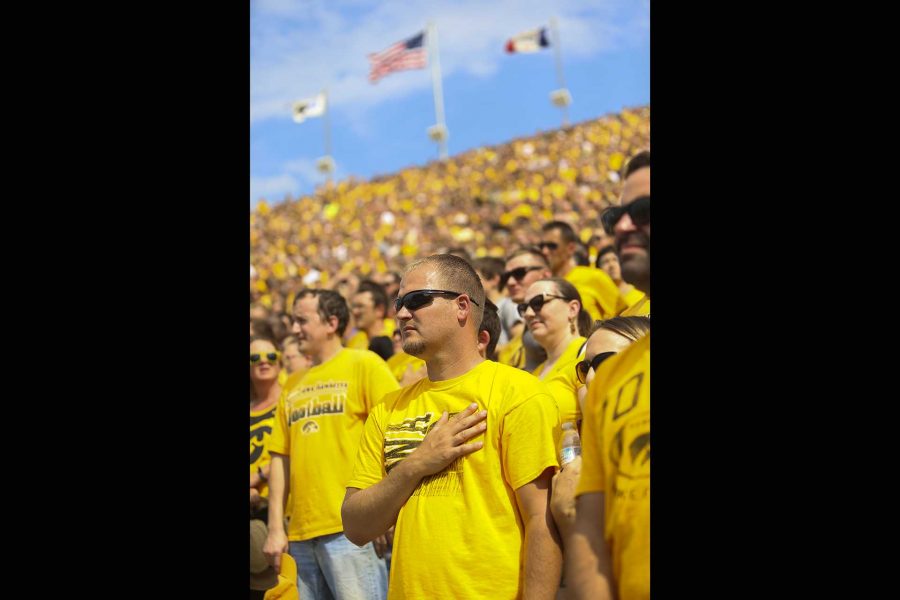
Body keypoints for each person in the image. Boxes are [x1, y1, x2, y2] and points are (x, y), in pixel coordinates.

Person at [342, 254, 562, 599]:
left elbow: (542, 521)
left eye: (416, 300)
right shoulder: (389, 407)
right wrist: (417, 463)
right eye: (399, 302)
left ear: (462, 306)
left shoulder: (519, 393)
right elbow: (356, 526)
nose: (400, 313)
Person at [551, 150, 651, 600]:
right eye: (618, 215)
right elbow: (591, 530)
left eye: (642, 212)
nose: (623, 227)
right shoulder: (610, 377)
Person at [263, 289, 399, 600]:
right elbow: (279, 459)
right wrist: (275, 529)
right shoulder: (293, 384)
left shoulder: (364, 363)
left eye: (302, 321)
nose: (294, 329)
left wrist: (384, 510)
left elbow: (395, 433)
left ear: (331, 322)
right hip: (299, 535)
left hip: (352, 531)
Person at [520, 278, 592, 424]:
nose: (528, 313)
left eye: (538, 302)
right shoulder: (534, 375)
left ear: (572, 309)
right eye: (523, 307)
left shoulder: (588, 355)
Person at [539, 221, 626, 322]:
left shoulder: (593, 276)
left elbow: (624, 313)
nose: (544, 251)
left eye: (551, 246)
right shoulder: (543, 286)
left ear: (570, 248)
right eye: (542, 246)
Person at [250, 336, 282, 598]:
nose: (263, 362)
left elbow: (289, 452)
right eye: (255, 358)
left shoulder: (288, 401)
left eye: (270, 357)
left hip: (276, 512)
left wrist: (256, 477)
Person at [495, 247, 552, 371]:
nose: (510, 282)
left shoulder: (559, 316)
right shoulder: (528, 323)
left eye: (519, 273)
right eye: (506, 276)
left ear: (545, 274)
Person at [596, 246, 647, 314]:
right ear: (599, 270)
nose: (611, 265)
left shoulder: (640, 294)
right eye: (605, 262)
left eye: (615, 260)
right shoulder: (600, 304)